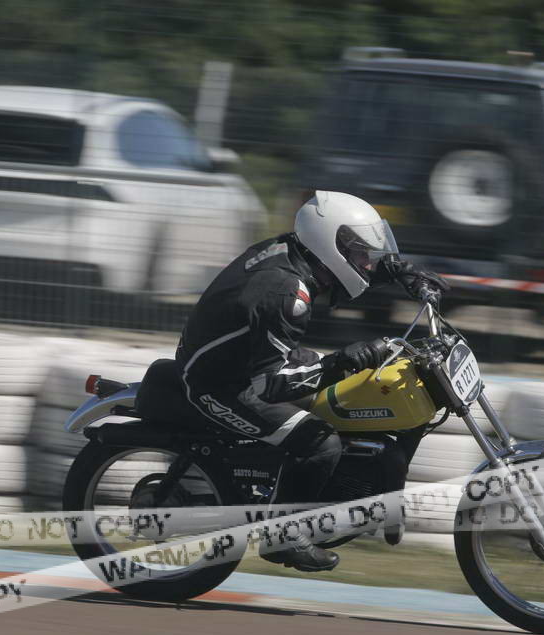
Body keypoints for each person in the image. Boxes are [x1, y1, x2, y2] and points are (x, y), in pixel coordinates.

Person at [174, 190, 448, 572]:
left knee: (342, 398)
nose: (366, 263)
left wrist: (402, 271)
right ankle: (281, 535)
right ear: (330, 245)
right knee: (319, 442)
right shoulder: (286, 293)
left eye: (366, 254)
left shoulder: (296, 252)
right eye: (360, 254)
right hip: (219, 383)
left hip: (247, 359)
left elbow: (355, 265)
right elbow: (271, 385)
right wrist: (343, 361)